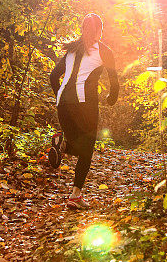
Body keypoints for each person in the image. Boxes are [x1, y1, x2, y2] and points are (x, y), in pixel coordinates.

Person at [49, 13, 119, 209]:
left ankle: (61, 145)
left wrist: (60, 97)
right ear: (98, 31)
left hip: (62, 104)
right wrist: (111, 99)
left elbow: (54, 77)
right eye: (100, 30)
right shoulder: (104, 51)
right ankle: (75, 196)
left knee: (79, 147)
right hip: (85, 105)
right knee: (87, 150)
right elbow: (114, 81)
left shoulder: (71, 50)